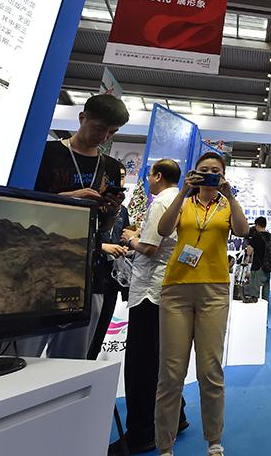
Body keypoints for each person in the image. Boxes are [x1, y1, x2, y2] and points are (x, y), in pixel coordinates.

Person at [154, 152, 249, 456]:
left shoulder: (227, 205)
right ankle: (164, 445)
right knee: (171, 373)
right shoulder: (183, 202)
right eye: (203, 170)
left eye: (215, 171)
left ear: (223, 174)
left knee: (210, 370)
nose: (209, 174)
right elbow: (163, 230)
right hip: (176, 290)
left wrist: (230, 195)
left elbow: (243, 230)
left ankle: (214, 441)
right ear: (194, 173)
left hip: (214, 291)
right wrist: (183, 190)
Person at [28, 94, 129, 359]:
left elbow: (104, 227)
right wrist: (69, 198)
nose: (103, 137)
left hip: (87, 271)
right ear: (82, 118)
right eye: (99, 128)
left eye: (112, 132)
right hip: (37, 265)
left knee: (74, 361)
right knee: (25, 356)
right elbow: (22, 205)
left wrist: (112, 211)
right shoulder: (45, 153)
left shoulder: (111, 167)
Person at [110, 159, 187, 455]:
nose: (147, 180)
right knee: (160, 361)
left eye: (150, 175)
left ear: (157, 176)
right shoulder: (182, 201)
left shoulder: (162, 203)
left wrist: (131, 239)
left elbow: (151, 248)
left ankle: (141, 433)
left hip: (149, 293)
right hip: (165, 290)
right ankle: (177, 417)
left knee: (141, 366)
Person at [89, 160, 131, 361]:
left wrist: (127, 245)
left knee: (101, 329)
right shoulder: (91, 202)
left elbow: (124, 235)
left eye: (121, 177)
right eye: (114, 177)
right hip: (91, 274)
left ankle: (91, 365)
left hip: (113, 277)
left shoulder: (122, 211)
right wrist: (103, 247)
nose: (119, 181)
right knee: (84, 334)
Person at [244, 217, 271, 302]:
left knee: (254, 292)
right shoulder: (270, 236)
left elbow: (249, 251)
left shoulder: (257, 236)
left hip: (258, 266)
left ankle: (255, 306)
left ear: (257, 225)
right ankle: (265, 306)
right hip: (268, 266)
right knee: (266, 290)